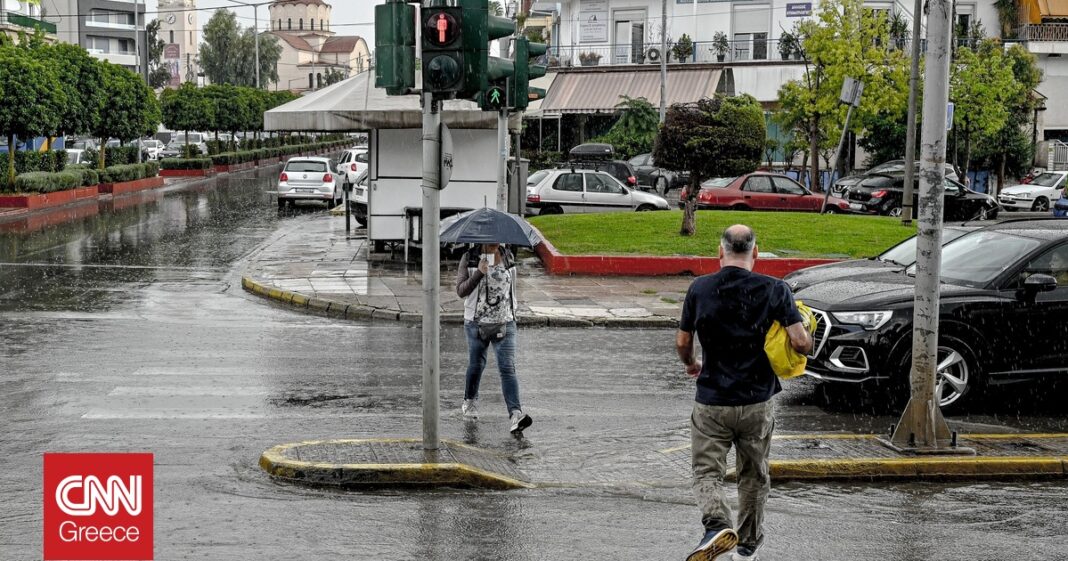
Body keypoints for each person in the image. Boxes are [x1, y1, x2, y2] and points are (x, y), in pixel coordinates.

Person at [676, 225, 812, 561]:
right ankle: (747, 545)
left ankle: (716, 523)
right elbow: (799, 342)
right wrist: (807, 332)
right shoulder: (775, 290)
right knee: (753, 474)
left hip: (712, 402)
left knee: (707, 471)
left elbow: (682, 341)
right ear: (756, 252)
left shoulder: (700, 288)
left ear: (720, 252)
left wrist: (692, 363)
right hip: (756, 401)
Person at [456, 242, 532, 435]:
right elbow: (461, 291)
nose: (496, 242)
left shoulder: (507, 255)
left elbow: (511, 289)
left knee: (507, 368)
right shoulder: (470, 257)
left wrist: (514, 314)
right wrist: (479, 272)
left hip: (505, 322)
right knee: (476, 365)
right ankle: (470, 401)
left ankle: (515, 414)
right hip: (476, 323)